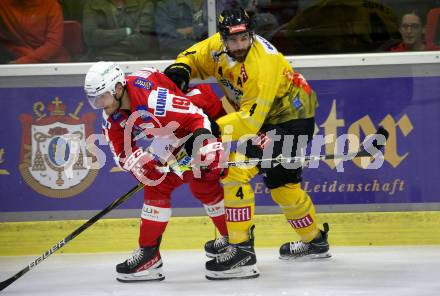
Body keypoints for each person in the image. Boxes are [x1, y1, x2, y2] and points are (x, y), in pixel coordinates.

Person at [164, 8, 330, 280]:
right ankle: (315, 240)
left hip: (291, 119)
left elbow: (250, 122)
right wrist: (180, 71)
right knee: (283, 187)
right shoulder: (218, 46)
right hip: (266, 117)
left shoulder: (262, 64)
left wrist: (207, 132)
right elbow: (192, 58)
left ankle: (241, 249)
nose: (239, 46)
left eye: (244, 39)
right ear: (223, 38)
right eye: (233, 41)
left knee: (236, 170)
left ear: (251, 34)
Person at [84, 62, 229, 282]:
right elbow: (123, 154)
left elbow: (196, 117)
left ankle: (234, 241)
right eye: (94, 100)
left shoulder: (151, 99)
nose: (99, 105)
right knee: (156, 184)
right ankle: (149, 255)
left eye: (102, 97)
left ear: (118, 88)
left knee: (203, 182)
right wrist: (142, 166)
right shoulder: (112, 114)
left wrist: (206, 147)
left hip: (202, 118)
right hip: (172, 132)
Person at [82, 0, 158, 61]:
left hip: (136, 61)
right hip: (100, 62)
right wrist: (128, 31)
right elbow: (90, 37)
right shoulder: (93, 4)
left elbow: (143, 41)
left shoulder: (144, 4)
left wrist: (103, 42)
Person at [0, 0, 70, 64]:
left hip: (53, 63)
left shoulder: (52, 5)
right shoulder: (3, 4)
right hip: (14, 59)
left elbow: (53, 44)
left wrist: (21, 62)